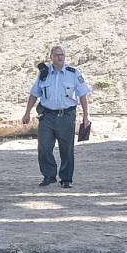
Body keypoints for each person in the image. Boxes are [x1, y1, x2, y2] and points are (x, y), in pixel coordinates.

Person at [22, 46, 91, 188]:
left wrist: (86, 116)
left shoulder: (73, 73)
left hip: (66, 116)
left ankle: (66, 179)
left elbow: (82, 95)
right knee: (44, 147)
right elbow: (35, 93)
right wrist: (27, 112)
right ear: (51, 57)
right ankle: (49, 176)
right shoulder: (44, 73)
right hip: (47, 116)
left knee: (66, 149)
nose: (60, 57)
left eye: (62, 55)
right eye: (57, 55)